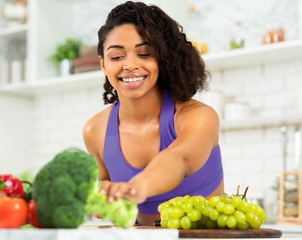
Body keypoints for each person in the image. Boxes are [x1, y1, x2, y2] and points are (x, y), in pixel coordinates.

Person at [83, 1, 224, 225]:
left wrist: (137, 187)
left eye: (145, 53)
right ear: (103, 64)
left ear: (162, 58)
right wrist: (102, 196)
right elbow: (103, 186)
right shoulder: (95, 130)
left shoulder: (198, 117)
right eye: (117, 57)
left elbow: (178, 159)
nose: (130, 65)